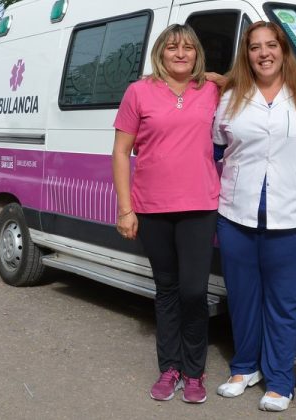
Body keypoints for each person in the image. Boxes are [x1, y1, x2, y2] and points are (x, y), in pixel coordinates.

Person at [212, 21, 296, 412]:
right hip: (236, 214)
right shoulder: (231, 98)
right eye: (255, 47)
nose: (264, 53)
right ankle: (245, 368)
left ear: (284, 50)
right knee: (242, 297)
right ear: (247, 55)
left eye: (271, 45)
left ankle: (280, 380)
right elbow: (216, 149)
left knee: (282, 302)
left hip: (295, 217)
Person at [112, 24, 219, 404]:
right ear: (160, 52)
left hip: (199, 207)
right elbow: (121, 152)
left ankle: (195, 371)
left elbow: (246, 79)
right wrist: (126, 209)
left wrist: (215, 75)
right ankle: (170, 368)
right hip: (152, 209)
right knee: (167, 291)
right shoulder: (138, 92)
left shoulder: (211, 90)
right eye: (172, 47)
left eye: (188, 48)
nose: (180, 53)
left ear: (197, 55)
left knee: (193, 292)